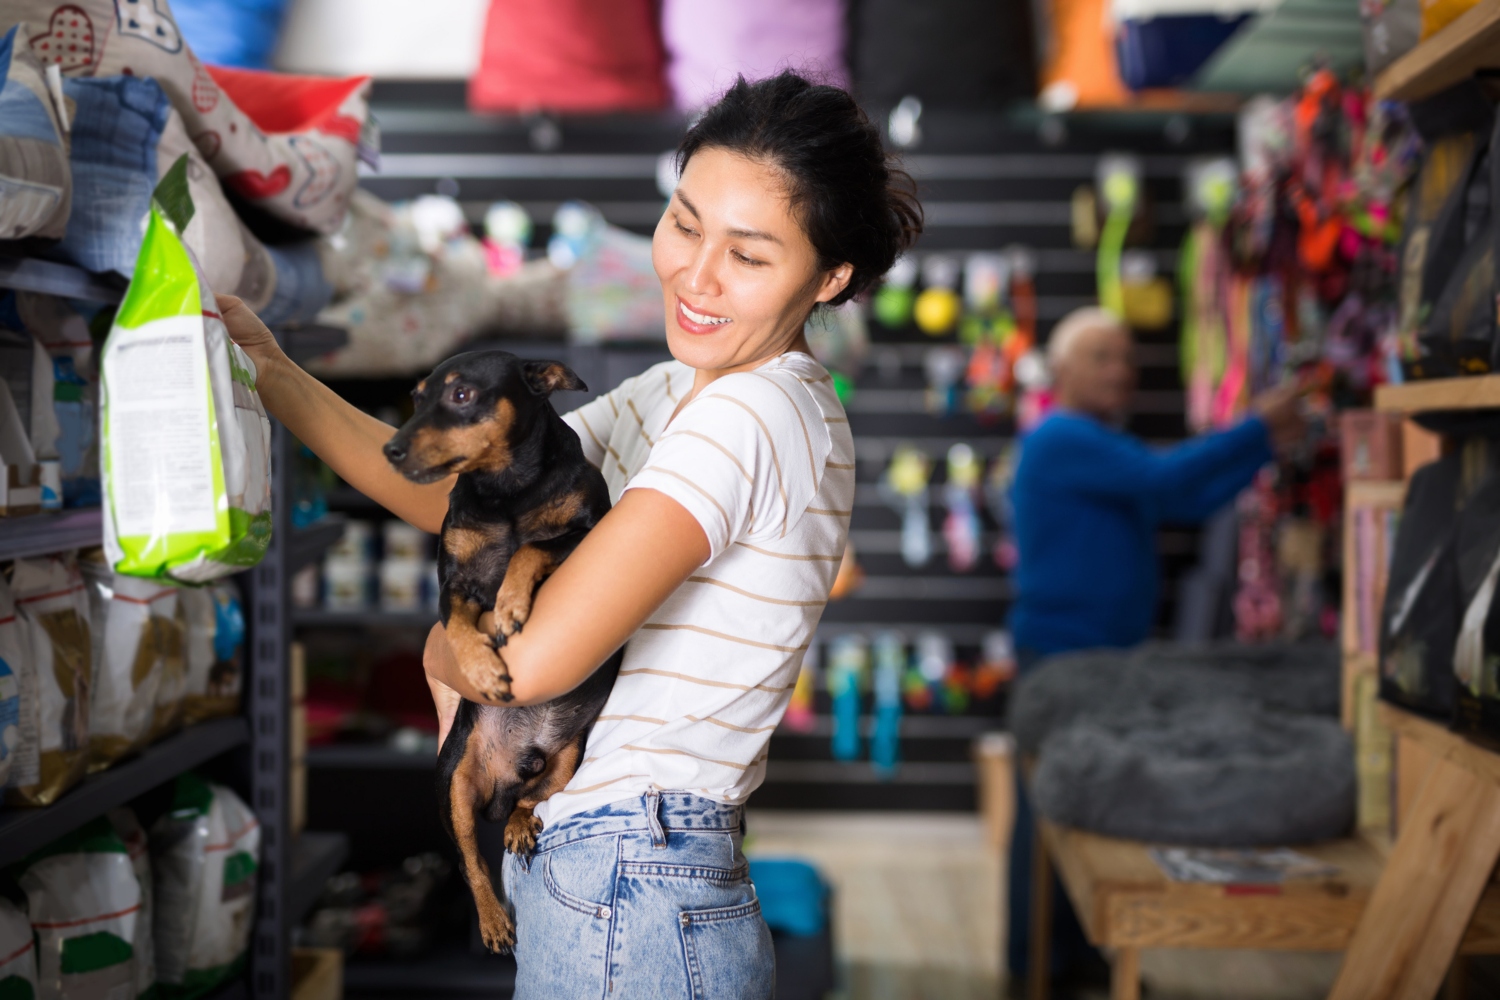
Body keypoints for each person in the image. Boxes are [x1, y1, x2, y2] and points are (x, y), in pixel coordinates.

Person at [219, 72, 920, 998]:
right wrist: (272, 370)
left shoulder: (752, 413)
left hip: (634, 878)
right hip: (604, 865)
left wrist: (440, 648)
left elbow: (531, 667)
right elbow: (470, 501)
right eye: (683, 222)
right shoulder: (678, 391)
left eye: (748, 256)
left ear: (828, 278)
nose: (695, 275)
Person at [1003, 306, 1303, 989]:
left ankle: (1070, 961)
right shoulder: (1065, 439)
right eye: (1103, 357)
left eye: (1127, 359)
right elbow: (1168, 483)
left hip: (1099, 659)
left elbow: (1182, 503)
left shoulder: (1100, 448)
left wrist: (1262, 445)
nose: (1122, 371)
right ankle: (1038, 969)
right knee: (1052, 815)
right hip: (1069, 660)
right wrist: (1259, 428)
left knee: (1079, 809)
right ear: (1064, 371)